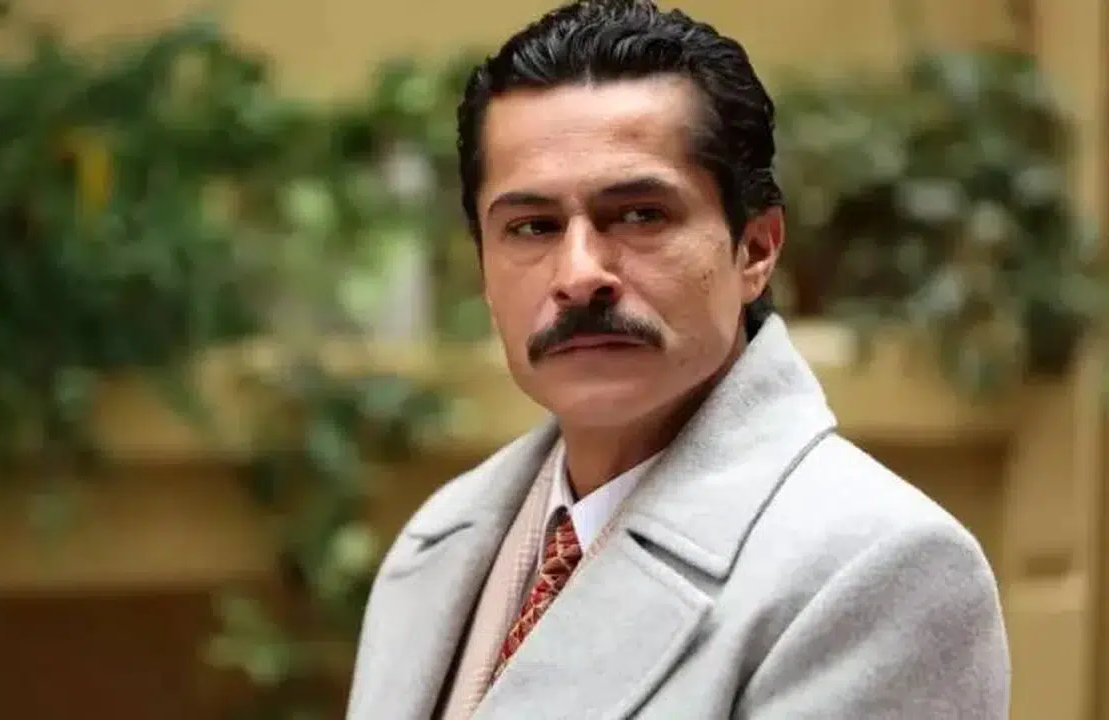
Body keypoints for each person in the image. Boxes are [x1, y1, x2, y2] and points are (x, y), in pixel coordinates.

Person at [346, 1, 1011, 717]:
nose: (579, 274)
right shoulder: (441, 540)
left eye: (640, 215)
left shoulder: (879, 569)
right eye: (532, 227)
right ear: (483, 267)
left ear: (755, 248)